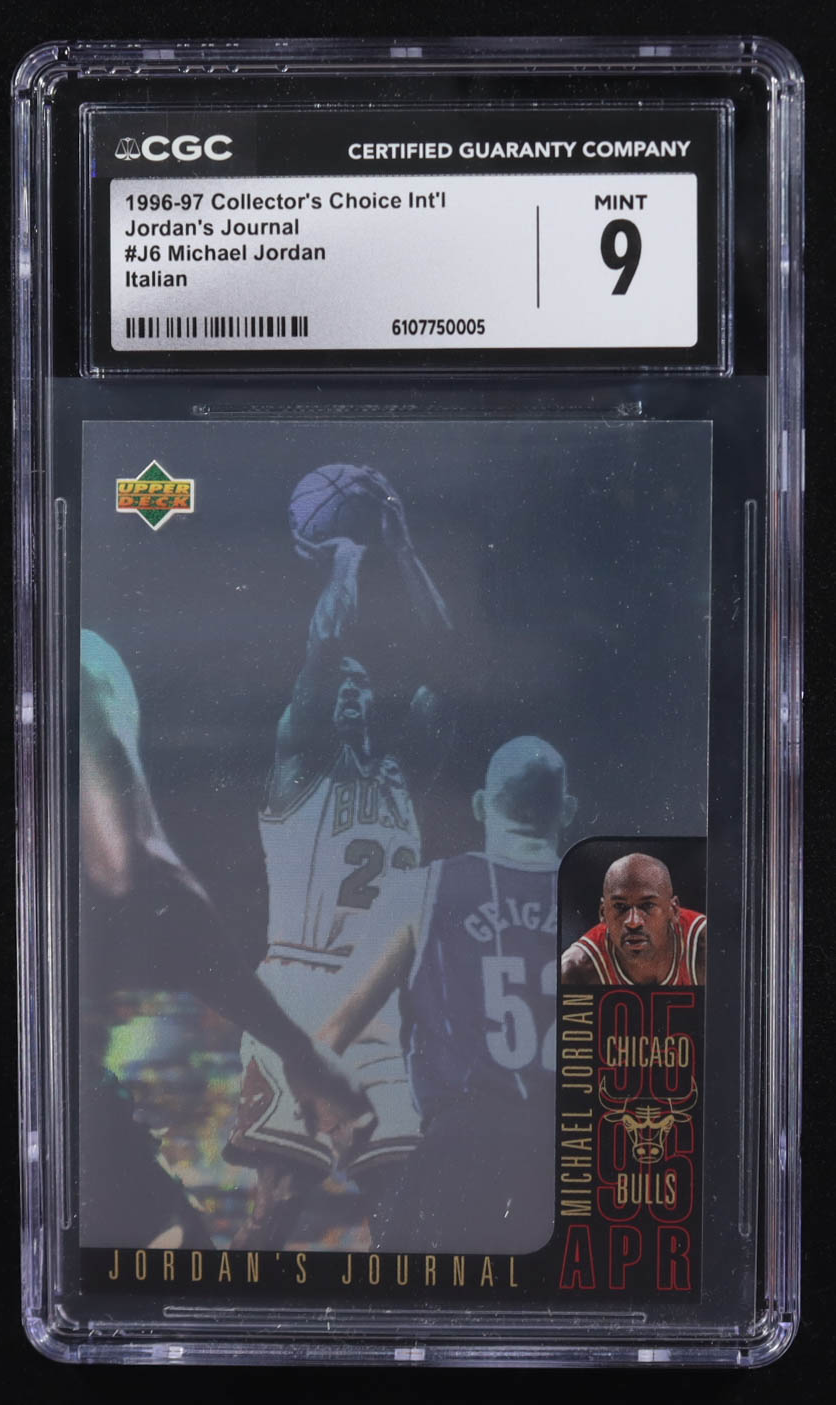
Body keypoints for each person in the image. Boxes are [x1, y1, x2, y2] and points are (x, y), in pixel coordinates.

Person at [79, 629, 370, 1248]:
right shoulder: (79, 664)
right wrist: (298, 1050)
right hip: (58, 1088)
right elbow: (126, 865)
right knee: (167, 1255)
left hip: (65, 1086)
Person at [225, 472, 453, 1247]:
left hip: (380, 1004)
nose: (352, 690)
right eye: (339, 688)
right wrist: (349, 554)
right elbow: (324, 647)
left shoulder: (399, 775)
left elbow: (447, 661)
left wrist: (405, 550)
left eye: (363, 685)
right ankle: (237, 1302)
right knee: (278, 1200)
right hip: (299, 986)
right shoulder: (299, 761)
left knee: (404, 1200)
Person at [315, 736, 576, 1253]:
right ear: (566, 811)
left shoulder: (423, 889)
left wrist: (339, 1114)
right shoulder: (609, 906)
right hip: (571, 1157)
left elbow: (332, 1032)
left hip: (463, 1148)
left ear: (479, 805)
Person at [560, 852, 706, 987]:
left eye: (647, 905)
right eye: (620, 906)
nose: (633, 922)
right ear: (603, 913)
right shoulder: (575, 969)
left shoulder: (705, 949)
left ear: (673, 910)